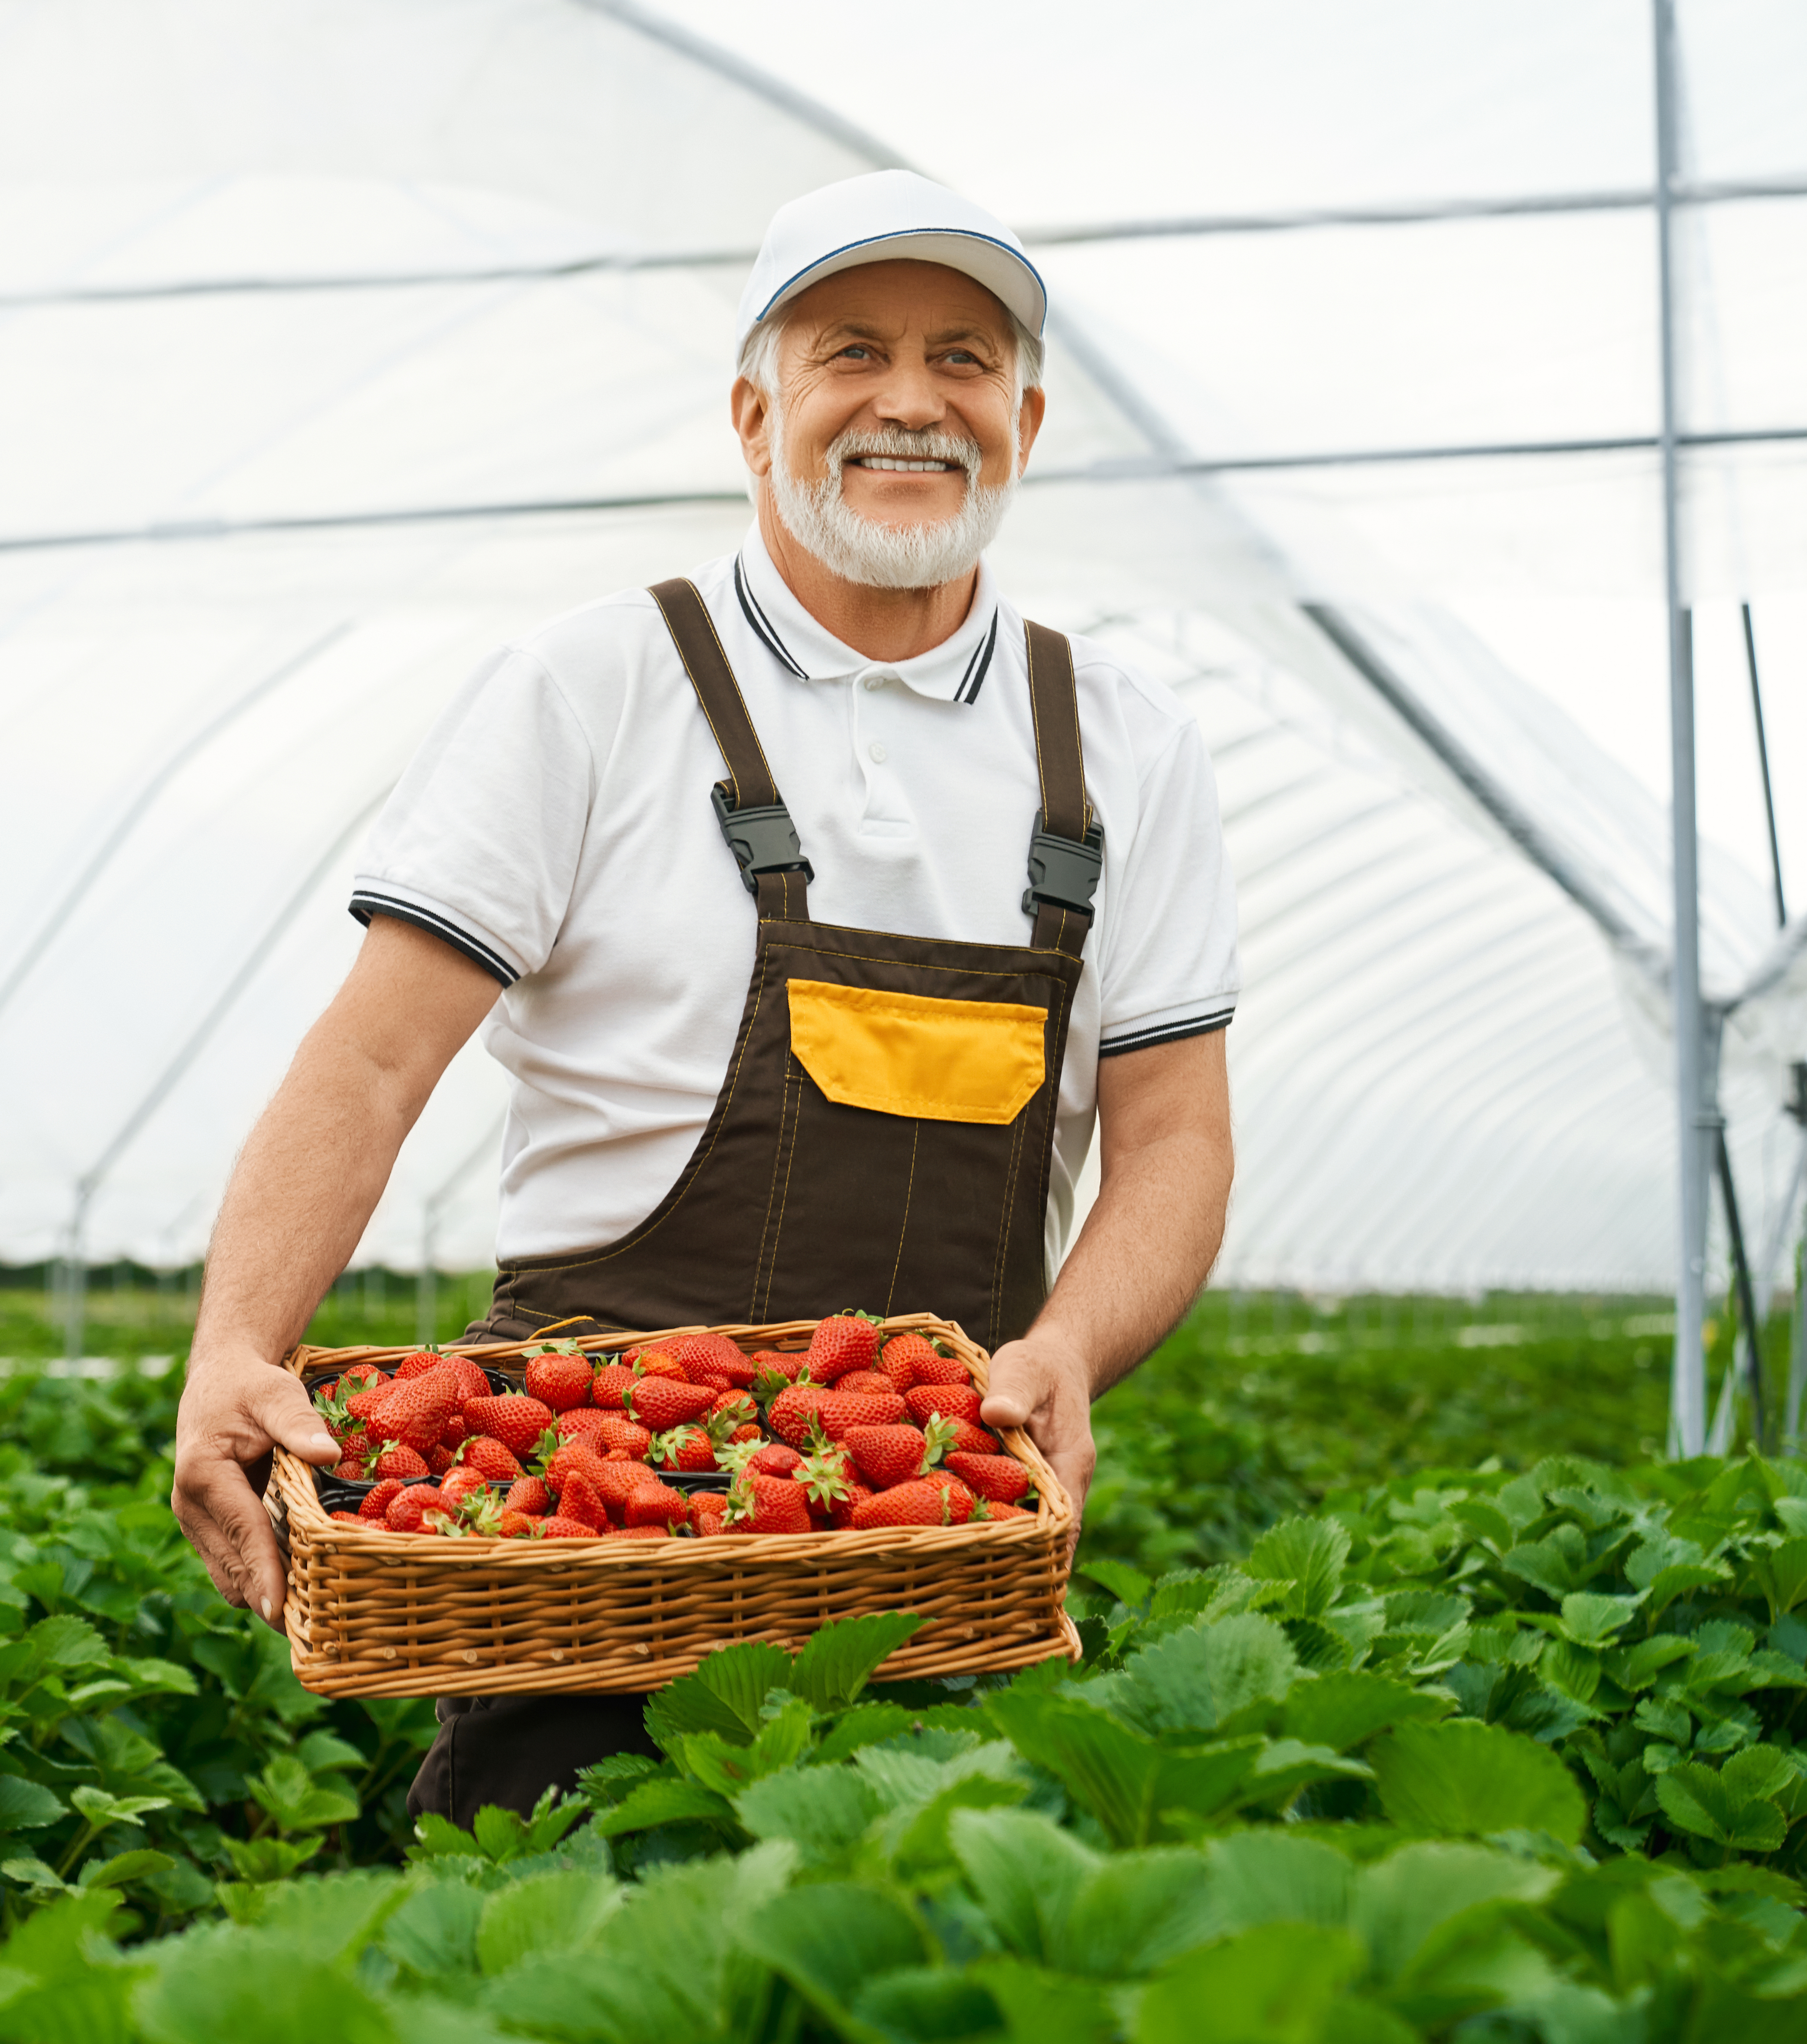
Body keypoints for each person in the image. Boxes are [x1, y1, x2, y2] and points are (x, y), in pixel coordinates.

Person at [169, 170, 1239, 1824]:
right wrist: (238, 1342)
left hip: (933, 1508)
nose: (910, 399)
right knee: (555, 1954)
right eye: (849, 352)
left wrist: (1066, 1354)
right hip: (586, 1519)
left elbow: (1172, 1140)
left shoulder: (1122, 746)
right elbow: (373, 1062)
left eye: (964, 358)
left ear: (1022, 417)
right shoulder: (590, 690)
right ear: (755, 415)